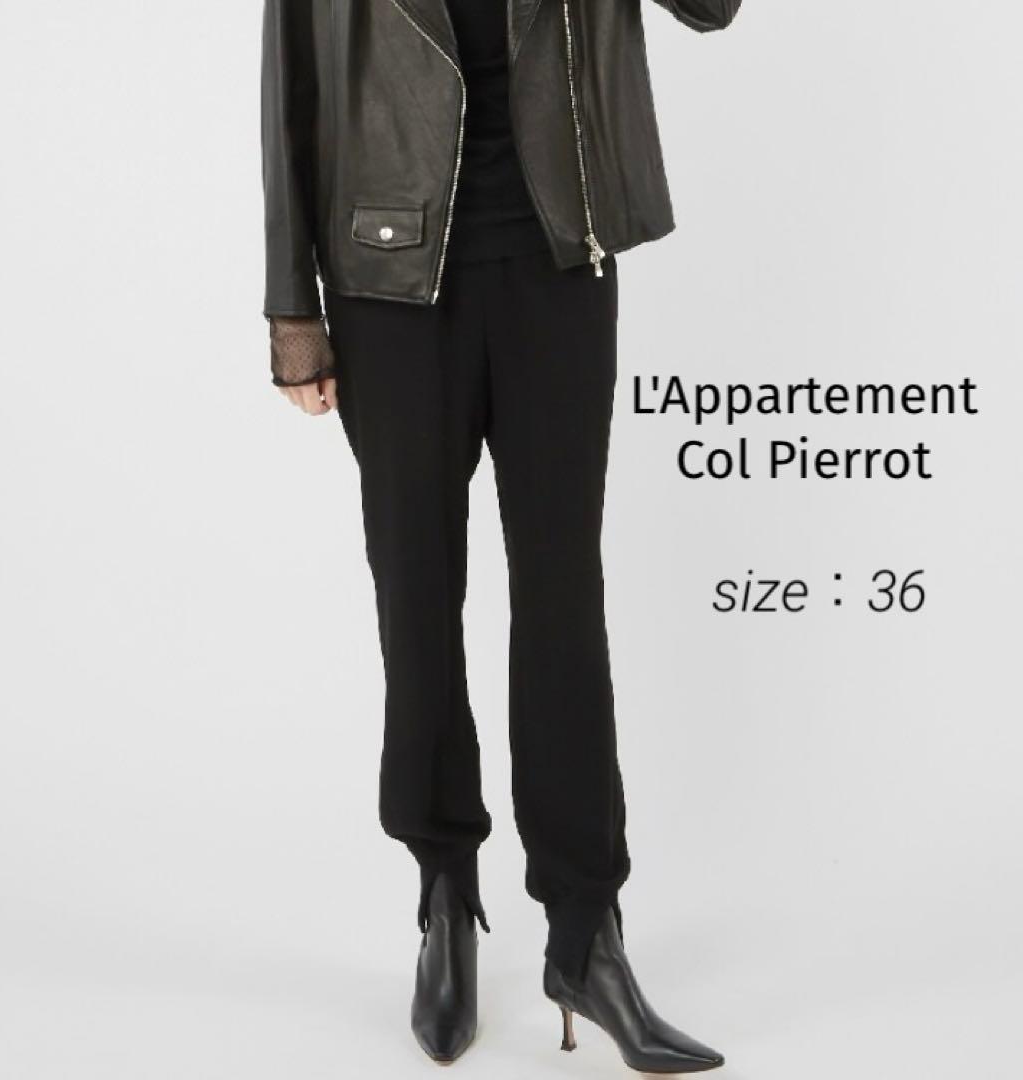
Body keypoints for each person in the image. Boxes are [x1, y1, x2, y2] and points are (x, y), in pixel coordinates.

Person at [260, 0, 743, 1070]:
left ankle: (586, 936)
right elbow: (289, 84)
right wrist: (294, 313)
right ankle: (445, 895)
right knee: (417, 595)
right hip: (387, 279)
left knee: (564, 603)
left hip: (557, 267)